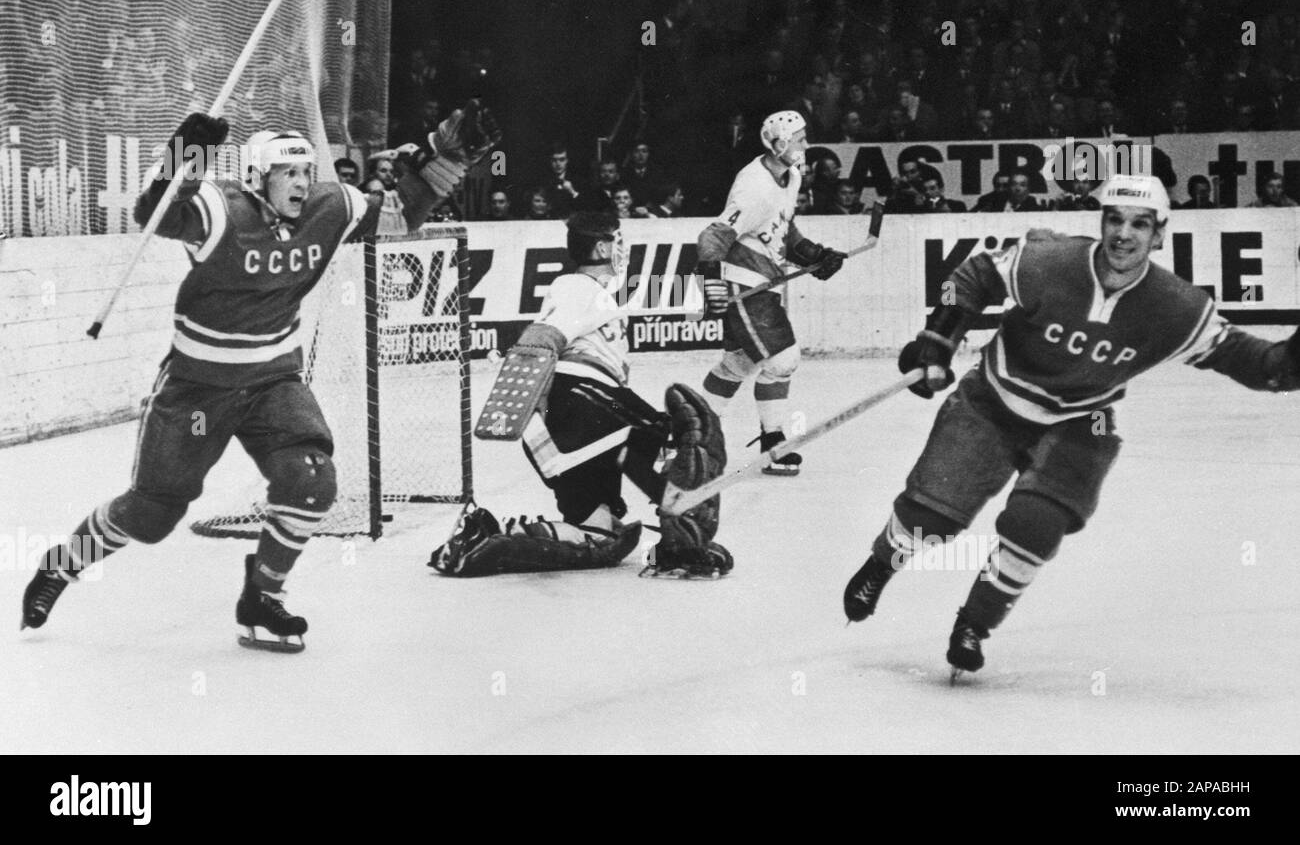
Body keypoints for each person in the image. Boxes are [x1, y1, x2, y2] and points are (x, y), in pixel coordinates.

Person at [21, 104, 498, 648]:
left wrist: (444, 161)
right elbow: (152, 212)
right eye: (286, 173)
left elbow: (401, 217)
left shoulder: (328, 206)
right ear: (257, 178)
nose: (300, 183)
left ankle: (263, 596)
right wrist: (187, 153)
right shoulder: (222, 210)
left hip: (274, 381)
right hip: (200, 391)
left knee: (312, 479)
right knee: (153, 514)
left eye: (304, 172)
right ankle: (62, 565)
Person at [841, 175, 1300, 678]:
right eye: (1115, 220)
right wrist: (936, 341)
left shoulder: (1178, 309)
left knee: (1036, 524)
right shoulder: (1049, 260)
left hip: (1085, 419)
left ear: (1160, 234)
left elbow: (1267, 368)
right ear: (1102, 222)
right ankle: (882, 564)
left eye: (1140, 225)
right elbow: (969, 276)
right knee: (931, 516)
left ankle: (974, 623)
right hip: (993, 399)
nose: (1124, 234)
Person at [433, 212, 731, 579]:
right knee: (668, 440)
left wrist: (705, 291)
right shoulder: (579, 288)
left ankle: (488, 540)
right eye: (619, 241)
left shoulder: (604, 291)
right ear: (603, 246)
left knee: (600, 534)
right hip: (581, 398)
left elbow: (656, 293)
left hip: (559, 436)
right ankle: (683, 537)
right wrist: (520, 397)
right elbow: (543, 334)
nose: (623, 249)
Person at [696, 110, 847, 476]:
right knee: (783, 359)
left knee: (739, 363)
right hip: (744, 283)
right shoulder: (753, 186)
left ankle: (688, 433)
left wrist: (812, 253)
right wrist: (712, 281)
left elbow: (783, 227)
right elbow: (713, 236)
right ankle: (773, 442)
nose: (805, 145)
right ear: (779, 145)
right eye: (799, 140)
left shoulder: (791, 175)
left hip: (763, 280)